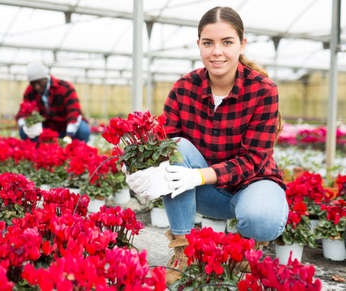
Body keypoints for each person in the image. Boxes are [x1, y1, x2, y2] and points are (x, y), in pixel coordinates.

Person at [126, 6, 288, 285]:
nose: (217, 52)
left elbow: (253, 160)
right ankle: (183, 248)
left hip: (251, 185)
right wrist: (139, 172)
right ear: (198, 44)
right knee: (174, 146)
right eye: (208, 42)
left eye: (227, 42)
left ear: (241, 44)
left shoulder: (263, 90)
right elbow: (167, 146)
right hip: (204, 192)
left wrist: (199, 175)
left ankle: (245, 254)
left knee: (262, 218)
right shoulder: (184, 87)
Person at [15, 62, 90, 143]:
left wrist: (69, 134)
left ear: (46, 78)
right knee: (24, 131)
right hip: (46, 130)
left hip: (65, 128)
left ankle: (75, 149)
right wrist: (25, 125)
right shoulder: (30, 91)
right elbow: (22, 113)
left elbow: (74, 112)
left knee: (83, 130)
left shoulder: (65, 88)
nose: (37, 87)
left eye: (39, 82)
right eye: (33, 83)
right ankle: (39, 150)